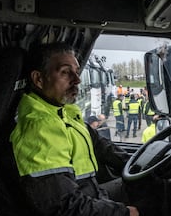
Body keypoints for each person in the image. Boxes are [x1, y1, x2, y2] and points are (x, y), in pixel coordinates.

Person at [10, 42, 139, 216]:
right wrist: (125, 213)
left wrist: (138, 163)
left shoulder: (64, 111)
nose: (77, 80)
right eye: (65, 72)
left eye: (77, 72)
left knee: (153, 186)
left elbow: (102, 145)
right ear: (38, 79)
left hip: (92, 196)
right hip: (82, 205)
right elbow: (64, 207)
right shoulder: (39, 128)